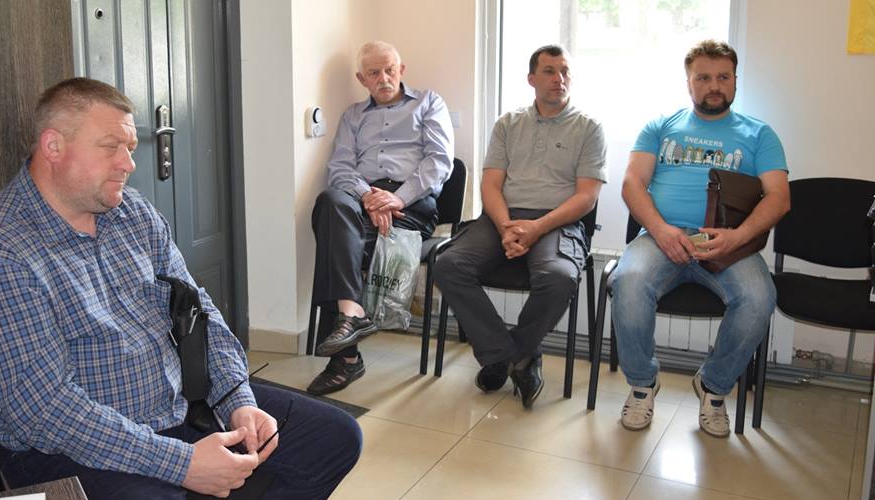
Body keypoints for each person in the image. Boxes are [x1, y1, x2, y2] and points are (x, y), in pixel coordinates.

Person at [0, 78, 362, 500]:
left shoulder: (133, 213)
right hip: (67, 449)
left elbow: (198, 313)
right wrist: (182, 464)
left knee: (335, 438)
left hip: (175, 404)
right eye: (110, 147)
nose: (128, 164)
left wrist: (238, 400)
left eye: (129, 147)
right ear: (53, 146)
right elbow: (43, 410)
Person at [613, 40, 789, 437]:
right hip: (661, 237)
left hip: (729, 244)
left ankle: (713, 387)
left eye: (723, 77)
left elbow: (779, 198)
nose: (714, 86)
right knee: (628, 282)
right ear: (689, 83)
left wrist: (737, 237)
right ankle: (642, 385)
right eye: (703, 78)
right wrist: (662, 230)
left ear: (735, 81)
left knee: (759, 298)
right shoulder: (660, 127)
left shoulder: (759, 134)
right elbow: (631, 184)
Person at [434, 44, 607, 408]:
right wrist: (506, 227)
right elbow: (490, 185)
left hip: (557, 221)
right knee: (448, 265)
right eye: (549, 71)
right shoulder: (508, 123)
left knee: (559, 277)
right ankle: (512, 356)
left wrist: (537, 228)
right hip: (503, 217)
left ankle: (507, 357)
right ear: (531, 79)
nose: (559, 79)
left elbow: (586, 198)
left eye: (565, 71)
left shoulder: (589, 128)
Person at [307, 40, 454, 396]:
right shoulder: (353, 116)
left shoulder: (429, 103)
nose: (384, 78)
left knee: (336, 242)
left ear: (401, 70)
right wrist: (368, 197)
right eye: (374, 73)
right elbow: (340, 167)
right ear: (362, 79)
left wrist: (396, 197)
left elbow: (439, 161)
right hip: (364, 200)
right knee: (330, 202)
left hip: (411, 204)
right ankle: (352, 314)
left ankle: (345, 358)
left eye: (390, 70)